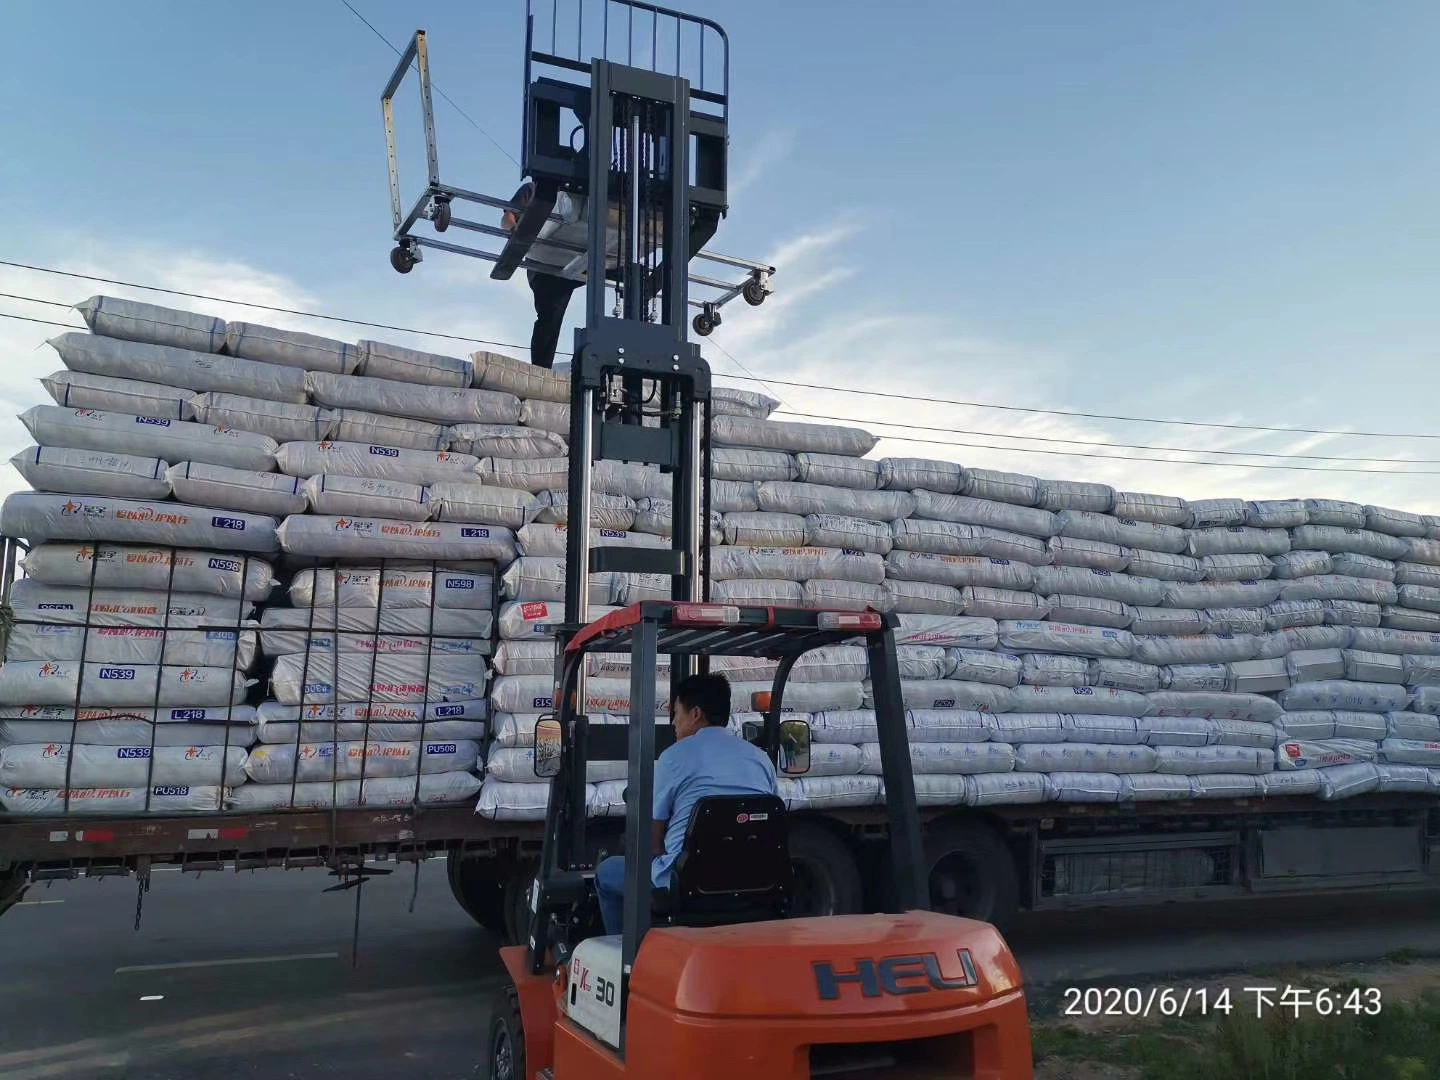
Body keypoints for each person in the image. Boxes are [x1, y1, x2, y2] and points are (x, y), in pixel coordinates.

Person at [593, 673, 778, 937]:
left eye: (676, 713)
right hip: (753, 886)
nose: (673, 722)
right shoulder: (760, 759)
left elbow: (652, 841)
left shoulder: (674, 758)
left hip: (686, 888)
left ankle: (628, 961)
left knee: (608, 872)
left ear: (695, 714)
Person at [502, 179, 581, 370]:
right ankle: (540, 370)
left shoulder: (577, 196)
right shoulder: (533, 189)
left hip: (572, 258)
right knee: (550, 316)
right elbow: (507, 218)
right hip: (543, 264)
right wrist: (515, 233)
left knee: (621, 275)